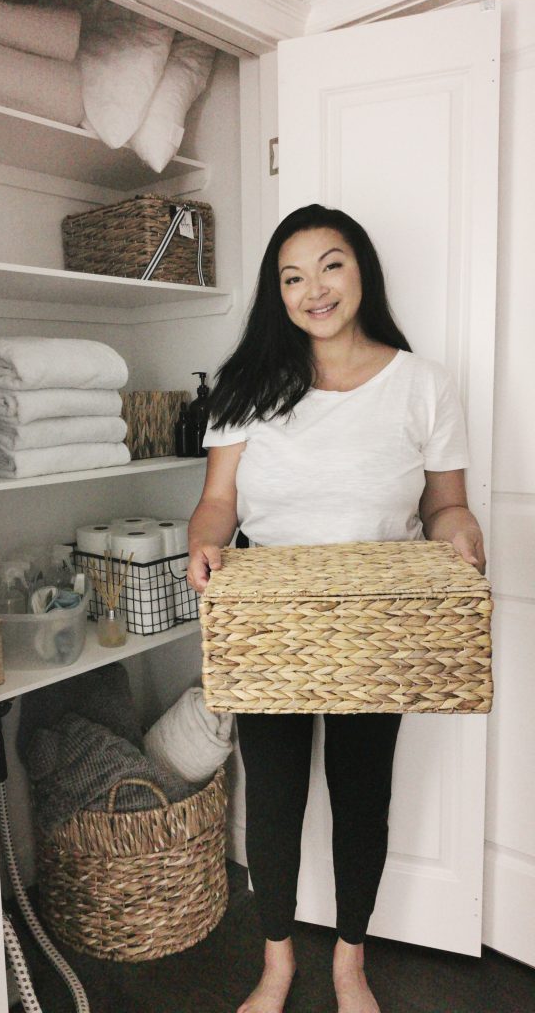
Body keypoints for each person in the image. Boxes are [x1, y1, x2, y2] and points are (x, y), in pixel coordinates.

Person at [186, 204, 486, 1013]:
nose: (312, 288)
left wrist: (462, 537)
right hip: (268, 624)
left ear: (362, 272)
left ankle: (350, 961)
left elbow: (444, 509)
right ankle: (278, 963)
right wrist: (204, 544)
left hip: (380, 624)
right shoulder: (248, 385)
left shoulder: (423, 384)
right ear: (275, 293)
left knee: (363, 796)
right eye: (292, 276)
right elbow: (217, 503)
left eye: (330, 264)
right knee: (274, 800)